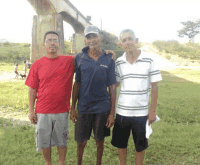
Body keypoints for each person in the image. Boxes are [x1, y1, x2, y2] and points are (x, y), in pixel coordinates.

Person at [25, 30, 115, 165]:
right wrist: (31, 110)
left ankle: (61, 163)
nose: (52, 43)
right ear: (44, 44)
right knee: (44, 142)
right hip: (42, 110)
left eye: (55, 40)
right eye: (49, 40)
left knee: (61, 140)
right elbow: (32, 89)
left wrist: (106, 52)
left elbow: (90, 56)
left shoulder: (69, 60)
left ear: (59, 43)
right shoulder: (37, 64)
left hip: (62, 110)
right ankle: (48, 163)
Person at [111, 29, 162, 165]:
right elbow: (114, 85)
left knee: (140, 146)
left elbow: (155, 87)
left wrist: (152, 111)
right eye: (124, 40)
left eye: (130, 39)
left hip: (141, 113)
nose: (127, 42)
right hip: (122, 112)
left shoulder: (149, 60)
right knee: (121, 145)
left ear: (136, 41)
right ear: (121, 44)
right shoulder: (119, 62)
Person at [70, 25, 116, 165]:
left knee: (99, 141)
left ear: (100, 38)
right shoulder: (79, 57)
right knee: (81, 142)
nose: (92, 40)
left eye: (94, 36)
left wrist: (111, 112)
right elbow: (77, 83)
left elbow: (112, 87)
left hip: (102, 108)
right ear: (85, 40)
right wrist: (73, 107)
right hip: (84, 107)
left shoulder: (109, 58)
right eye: (88, 37)